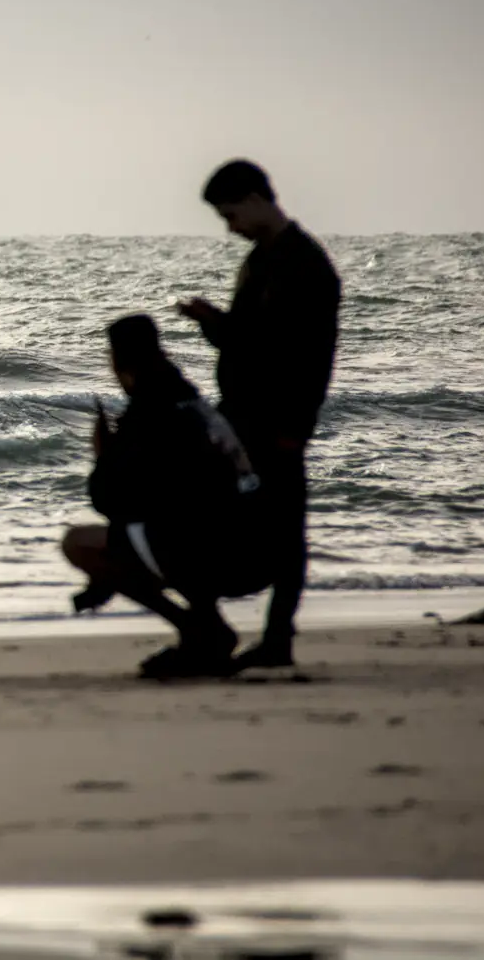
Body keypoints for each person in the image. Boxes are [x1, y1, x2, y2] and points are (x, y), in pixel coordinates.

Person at [175, 160, 340, 671]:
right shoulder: (261, 259)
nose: (230, 227)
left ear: (254, 198)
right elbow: (249, 339)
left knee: (286, 533)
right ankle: (231, 630)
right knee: (224, 518)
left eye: (231, 215)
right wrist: (212, 324)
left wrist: (296, 428)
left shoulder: (306, 265)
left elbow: (306, 357)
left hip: (278, 420)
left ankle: (276, 638)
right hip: (242, 417)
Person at [62, 315, 267, 678]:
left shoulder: (150, 414)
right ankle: (206, 627)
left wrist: (103, 456)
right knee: (170, 525)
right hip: (258, 549)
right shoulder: (188, 400)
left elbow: (111, 500)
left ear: (118, 360)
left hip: (216, 556)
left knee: (79, 544)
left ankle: (198, 630)